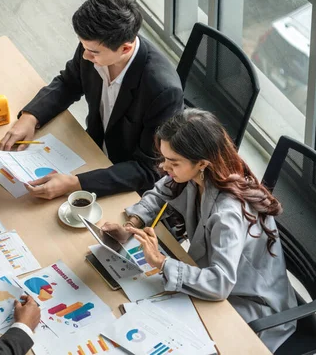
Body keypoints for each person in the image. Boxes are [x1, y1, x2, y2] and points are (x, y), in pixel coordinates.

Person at [101, 108, 296, 352]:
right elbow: (160, 193)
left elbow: (220, 284)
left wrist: (161, 262)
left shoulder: (228, 214)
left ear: (202, 163)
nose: (164, 167)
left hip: (247, 302)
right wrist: (132, 225)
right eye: (164, 158)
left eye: (173, 163)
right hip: (211, 280)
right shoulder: (197, 174)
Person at [0, 0, 183, 199]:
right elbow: (69, 83)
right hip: (90, 150)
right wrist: (31, 117)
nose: (85, 55)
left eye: (92, 51)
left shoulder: (163, 91)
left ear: (125, 48)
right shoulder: (94, 46)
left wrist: (76, 184)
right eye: (83, 46)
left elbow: (150, 169)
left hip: (124, 180)